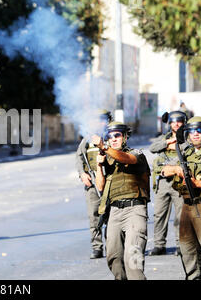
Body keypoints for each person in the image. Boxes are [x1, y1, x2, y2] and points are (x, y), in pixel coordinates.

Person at [93, 121, 151, 280]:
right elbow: (100, 186)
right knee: (114, 258)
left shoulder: (136, 153)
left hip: (135, 210)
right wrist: (99, 166)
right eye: (110, 136)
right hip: (114, 212)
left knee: (133, 259)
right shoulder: (107, 159)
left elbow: (126, 159)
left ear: (125, 137)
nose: (113, 139)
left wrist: (104, 147)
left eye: (117, 135)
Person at [161, 116, 201, 280]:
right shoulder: (185, 152)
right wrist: (174, 169)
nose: (195, 134)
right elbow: (164, 171)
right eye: (192, 131)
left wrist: (200, 183)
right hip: (187, 206)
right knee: (187, 247)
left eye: (199, 130)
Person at [75, 109, 113, 259]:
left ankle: (112, 246)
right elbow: (79, 157)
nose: (101, 122)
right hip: (92, 184)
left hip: (110, 182)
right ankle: (97, 247)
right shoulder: (87, 139)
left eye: (104, 119)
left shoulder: (112, 137)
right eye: (98, 119)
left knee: (111, 216)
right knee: (94, 216)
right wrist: (82, 174)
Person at [149, 111, 187, 256]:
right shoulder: (163, 138)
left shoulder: (187, 138)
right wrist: (167, 143)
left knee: (180, 215)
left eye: (179, 121)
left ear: (184, 122)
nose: (176, 124)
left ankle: (180, 244)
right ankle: (159, 245)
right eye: (173, 121)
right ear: (169, 123)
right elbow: (153, 148)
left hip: (179, 181)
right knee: (159, 214)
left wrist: (176, 146)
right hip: (162, 182)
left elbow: (188, 150)